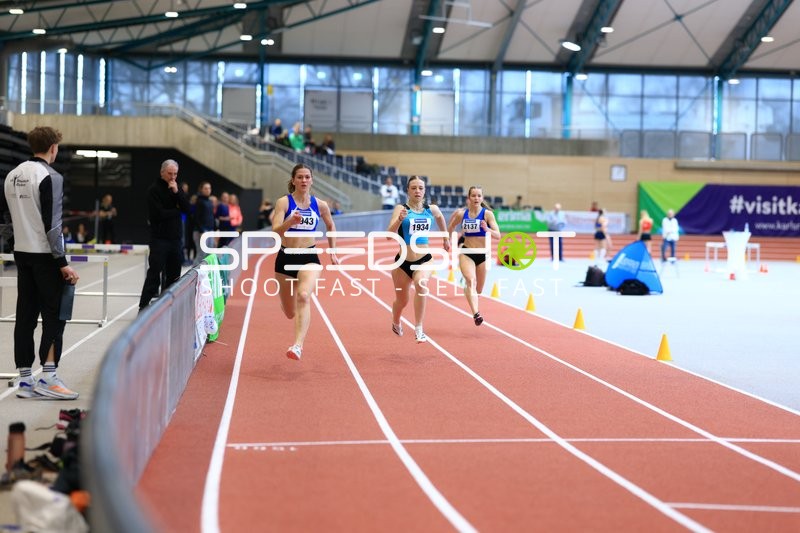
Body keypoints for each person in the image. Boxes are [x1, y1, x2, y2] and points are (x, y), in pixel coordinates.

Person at [0, 126, 80, 399]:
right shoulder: (51, 176)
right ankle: (48, 377)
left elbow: (7, 221)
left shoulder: (12, 175)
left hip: (22, 256)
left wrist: (17, 246)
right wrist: (63, 263)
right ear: (53, 148)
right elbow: (53, 226)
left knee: (25, 316)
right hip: (46, 258)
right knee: (56, 315)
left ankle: (25, 381)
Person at [271, 163, 339, 360]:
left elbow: (331, 225)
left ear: (312, 180)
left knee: (303, 296)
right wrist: (289, 222)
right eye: (299, 177)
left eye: (307, 177)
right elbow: (275, 231)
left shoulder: (320, 205)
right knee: (290, 313)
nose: (303, 180)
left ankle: (298, 346)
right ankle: (287, 305)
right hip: (285, 258)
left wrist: (333, 250)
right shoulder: (283, 203)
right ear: (293, 180)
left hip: (309, 257)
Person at [387, 175, 450, 343]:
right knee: (402, 301)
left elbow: (440, 218)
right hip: (402, 262)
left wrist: (445, 238)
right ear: (407, 190)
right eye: (413, 188)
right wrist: (399, 220)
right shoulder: (401, 208)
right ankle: (396, 320)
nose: (417, 191)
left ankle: (419, 328)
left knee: (421, 284)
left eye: (420, 188)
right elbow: (388, 236)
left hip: (424, 259)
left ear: (425, 191)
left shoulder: (431, 209)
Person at [138, 159, 192, 311]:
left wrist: (176, 193)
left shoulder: (177, 188)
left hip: (175, 239)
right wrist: (177, 211)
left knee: (174, 274)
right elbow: (157, 215)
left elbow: (187, 209)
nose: (173, 177)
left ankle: (169, 306)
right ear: (162, 173)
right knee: (154, 273)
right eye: (170, 174)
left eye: (175, 174)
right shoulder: (154, 190)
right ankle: (143, 306)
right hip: (159, 239)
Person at [446, 186, 500, 326]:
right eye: (473, 196)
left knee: (478, 289)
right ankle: (476, 314)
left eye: (479, 196)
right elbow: (450, 227)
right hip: (466, 252)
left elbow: (498, 235)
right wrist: (447, 240)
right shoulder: (461, 214)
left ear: (482, 198)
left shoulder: (487, 214)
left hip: (482, 255)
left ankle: (467, 288)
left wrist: (487, 229)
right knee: (471, 280)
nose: (476, 198)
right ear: (469, 198)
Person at [193, 181, 214, 264]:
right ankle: (194, 275)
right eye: (205, 188)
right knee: (201, 254)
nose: (208, 190)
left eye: (209, 188)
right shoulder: (199, 201)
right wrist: (201, 231)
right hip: (201, 231)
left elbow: (211, 217)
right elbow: (196, 217)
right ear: (201, 190)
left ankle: (205, 274)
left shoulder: (209, 201)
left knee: (209, 254)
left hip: (210, 230)